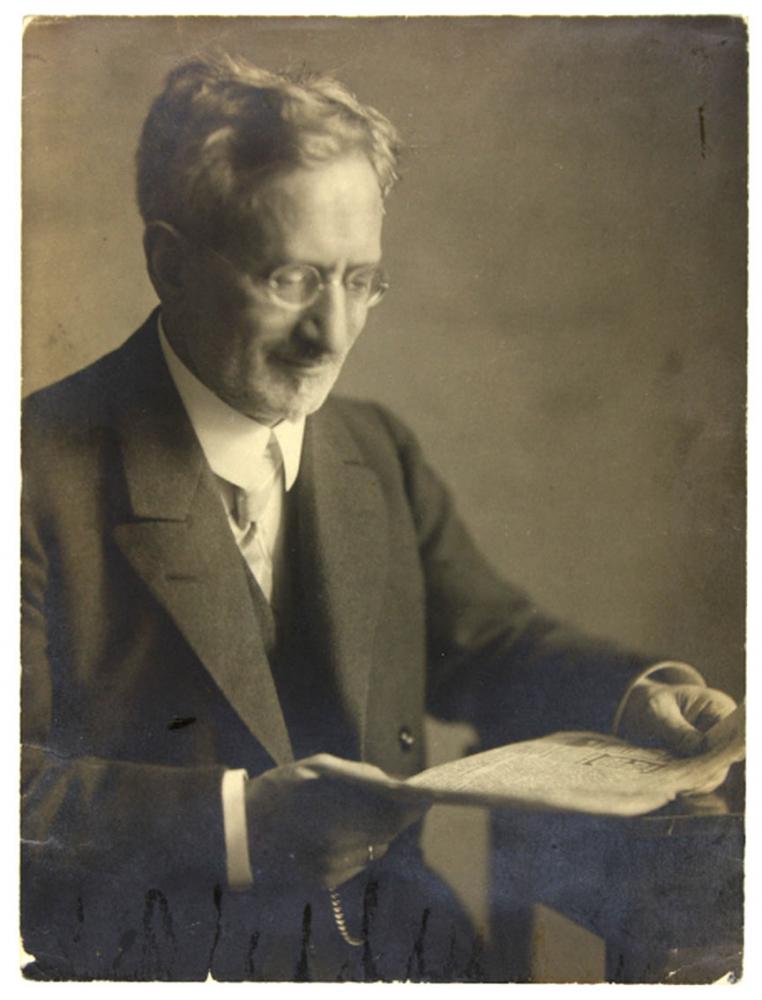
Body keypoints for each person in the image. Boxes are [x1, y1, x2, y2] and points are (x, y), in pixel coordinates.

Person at [21, 53, 738, 982]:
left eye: (361, 282)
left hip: (400, 952)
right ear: (170, 262)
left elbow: (488, 645)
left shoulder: (373, 452)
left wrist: (631, 695)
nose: (334, 334)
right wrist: (241, 825)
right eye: (291, 279)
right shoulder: (34, 467)